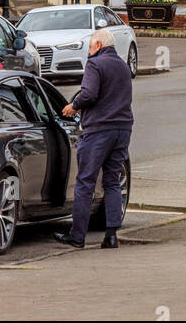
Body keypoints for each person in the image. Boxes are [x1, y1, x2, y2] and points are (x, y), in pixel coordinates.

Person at [54, 28, 133, 251]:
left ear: (98, 45)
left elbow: (89, 94)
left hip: (99, 130)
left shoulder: (95, 64)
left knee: (85, 181)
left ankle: (77, 236)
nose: (88, 52)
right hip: (123, 128)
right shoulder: (123, 66)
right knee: (111, 180)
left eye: (89, 47)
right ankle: (111, 235)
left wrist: (73, 106)